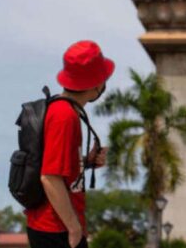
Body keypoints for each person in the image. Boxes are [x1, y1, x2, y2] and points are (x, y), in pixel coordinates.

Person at [26, 40, 113, 248]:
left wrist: (86, 162)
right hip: (56, 228)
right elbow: (49, 177)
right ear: (95, 84)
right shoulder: (64, 116)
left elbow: (56, 165)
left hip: (55, 226)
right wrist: (73, 228)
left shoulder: (63, 109)